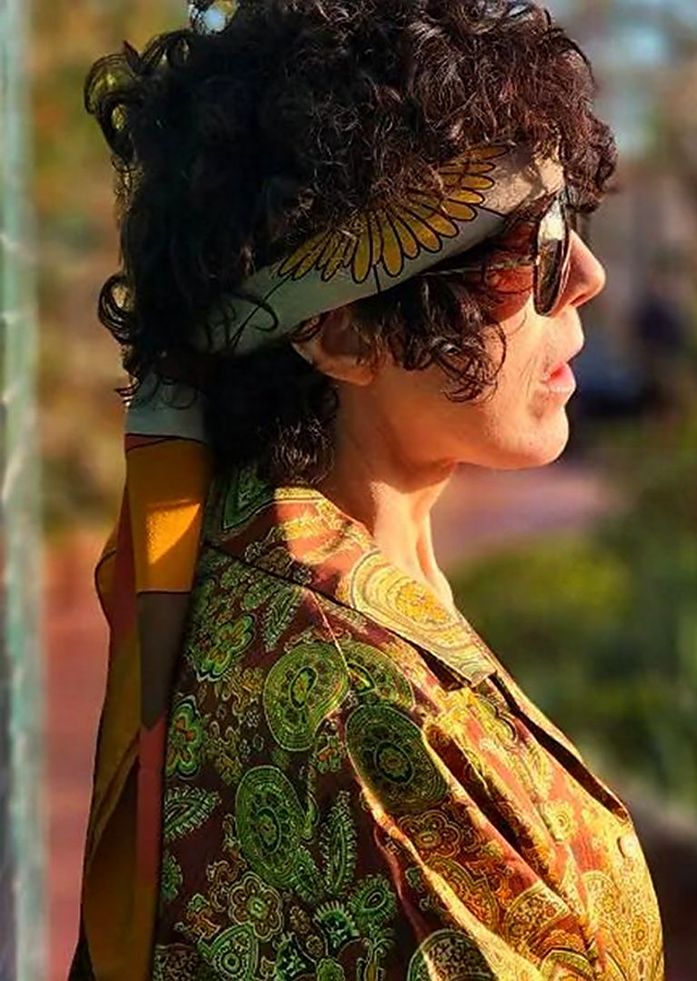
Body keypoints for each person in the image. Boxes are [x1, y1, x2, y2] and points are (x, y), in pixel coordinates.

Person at [70, 1, 665, 978]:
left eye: (576, 222)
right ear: (343, 333)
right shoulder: (375, 721)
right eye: (534, 249)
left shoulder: (255, 548)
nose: (589, 276)